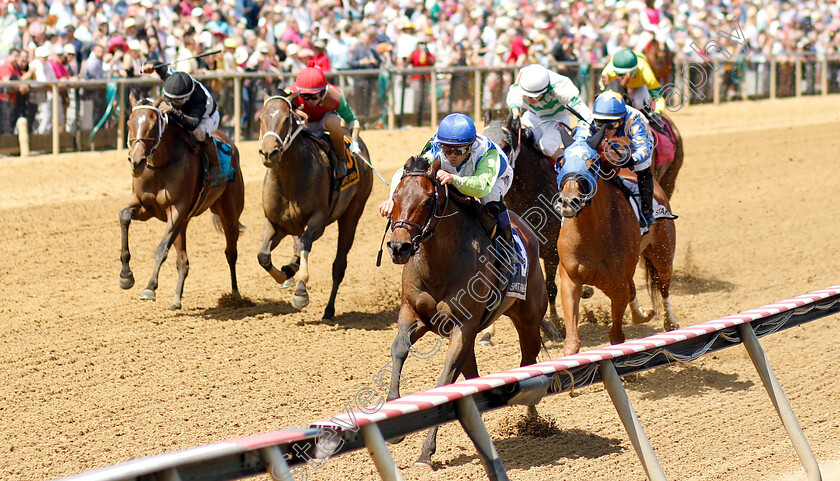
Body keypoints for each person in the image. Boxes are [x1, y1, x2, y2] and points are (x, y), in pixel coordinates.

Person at [378, 113, 515, 245]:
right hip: (456, 175)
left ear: (470, 147)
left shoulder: (487, 154)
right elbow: (404, 172)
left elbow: (481, 188)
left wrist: (455, 180)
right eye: (447, 150)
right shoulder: (435, 147)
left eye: (459, 151)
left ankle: (507, 244)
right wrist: (392, 199)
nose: (452, 155)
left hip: (496, 179)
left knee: (490, 199)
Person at [575, 90, 656, 227]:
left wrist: (633, 158)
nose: (605, 130)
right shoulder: (589, 118)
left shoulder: (635, 120)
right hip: (607, 143)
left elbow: (644, 148)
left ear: (621, 119)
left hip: (631, 143)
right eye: (600, 124)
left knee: (642, 168)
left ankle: (647, 211)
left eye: (611, 124)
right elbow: (578, 143)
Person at [141, 60, 223, 179]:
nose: (173, 103)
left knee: (199, 133)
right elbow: (160, 66)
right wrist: (149, 65)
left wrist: (173, 111)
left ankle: (215, 164)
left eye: (177, 102)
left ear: (187, 97)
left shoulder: (199, 99)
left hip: (207, 117)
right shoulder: (175, 78)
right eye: (170, 99)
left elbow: (192, 124)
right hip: (184, 110)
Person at [507, 63, 594, 161]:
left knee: (548, 146)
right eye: (526, 96)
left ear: (545, 91)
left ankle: (570, 165)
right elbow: (514, 95)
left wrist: (585, 129)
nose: (529, 99)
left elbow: (583, 112)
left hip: (557, 119)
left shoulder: (561, 87)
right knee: (522, 139)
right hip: (532, 116)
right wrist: (515, 113)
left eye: (534, 97)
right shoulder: (523, 77)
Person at [291, 65, 361, 181]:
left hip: (323, 122)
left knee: (333, 121)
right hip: (302, 124)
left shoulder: (334, 96)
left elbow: (353, 121)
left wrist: (354, 142)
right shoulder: (291, 93)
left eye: (314, 96)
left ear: (323, 92)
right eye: (305, 96)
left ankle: (341, 159)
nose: (309, 101)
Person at [600, 48, 665, 116]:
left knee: (639, 104)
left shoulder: (645, 72)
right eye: (619, 75)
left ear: (634, 72)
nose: (622, 79)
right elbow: (604, 97)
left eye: (625, 76)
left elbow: (658, 96)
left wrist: (658, 111)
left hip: (639, 86)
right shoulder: (608, 72)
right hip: (618, 86)